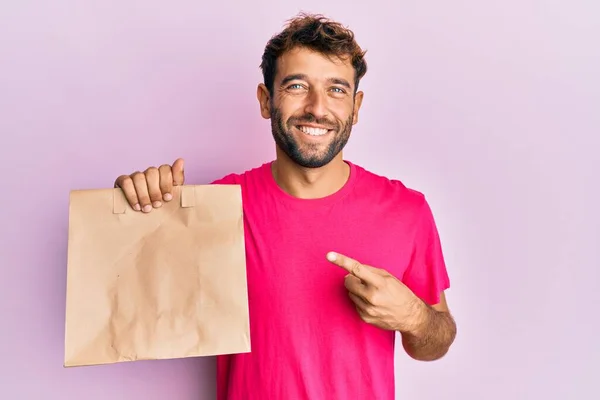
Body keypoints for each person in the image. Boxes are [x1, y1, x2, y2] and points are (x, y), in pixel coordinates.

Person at [114, 12, 457, 400]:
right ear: (266, 100)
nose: (317, 107)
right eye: (296, 86)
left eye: (337, 90)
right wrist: (137, 208)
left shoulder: (406, 211)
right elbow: (133, 304)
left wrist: (413, 317)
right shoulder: (216, 208)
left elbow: (436, 341)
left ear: (356, 107)